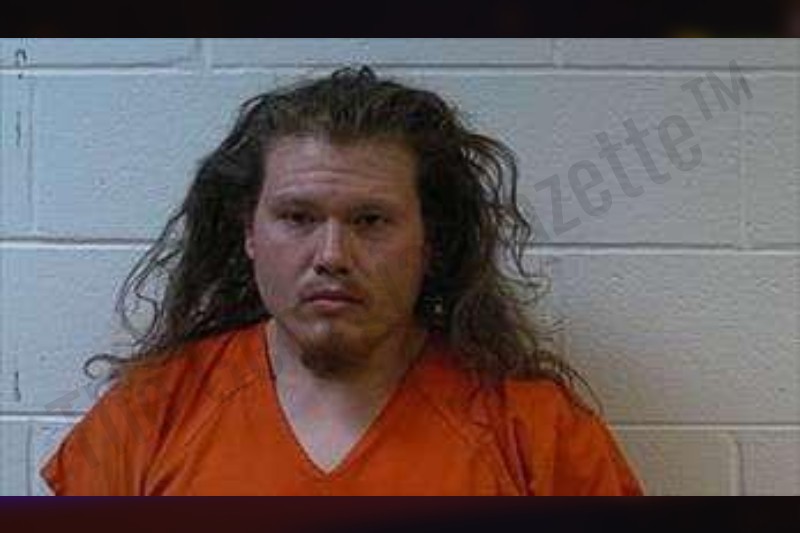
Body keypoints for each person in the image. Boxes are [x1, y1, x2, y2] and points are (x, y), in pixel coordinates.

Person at [41, 66, 643, 495]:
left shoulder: (536, 432)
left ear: (430, 240)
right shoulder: (150, 414)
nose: (331, 255)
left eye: (371, 221)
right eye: (297, 217)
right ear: (249, 232)